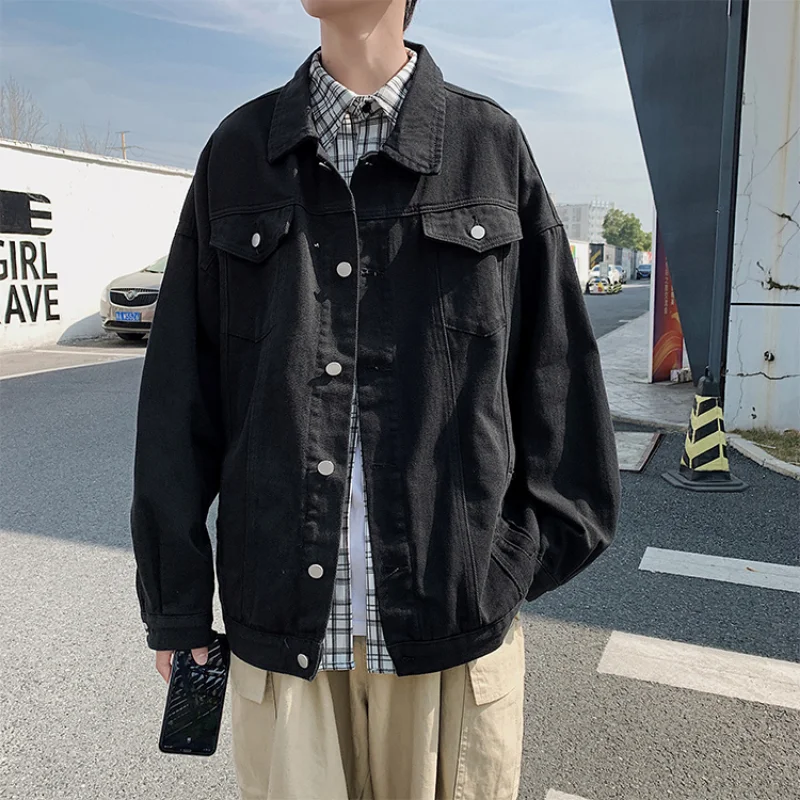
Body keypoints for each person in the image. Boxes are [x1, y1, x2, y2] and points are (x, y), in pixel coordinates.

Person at [130, 0, 621, 797]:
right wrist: (177, 604)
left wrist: (500, 568)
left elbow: (558, 382)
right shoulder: (239, 153)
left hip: (448, 640)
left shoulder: (488, 146)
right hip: (282, 636)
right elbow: (178, 398)